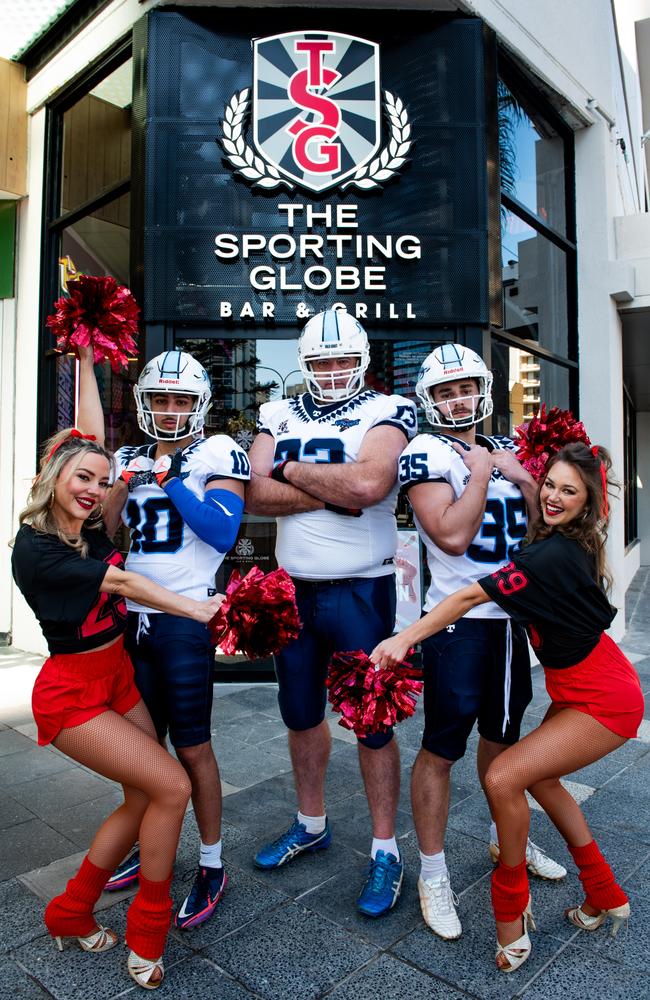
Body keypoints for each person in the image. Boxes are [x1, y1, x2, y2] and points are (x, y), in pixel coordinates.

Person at [371, 441, 644, 971]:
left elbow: (470, 597)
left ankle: (511, 916)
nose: (553, 496)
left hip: (604, 699)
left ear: (588, 502)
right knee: (538, 779)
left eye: (569, 490)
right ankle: (605, 892)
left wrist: (407, 638)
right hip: (579, 689)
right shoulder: (564, 540)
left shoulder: (552, 553)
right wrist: (519, 474)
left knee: (503, 777)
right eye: (551, 485)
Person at [11, 429, 225, 988]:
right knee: (172, 786)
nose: (95, 489)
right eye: (83, 478)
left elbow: (90, 438)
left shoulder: (87, 531)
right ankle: (148, 930)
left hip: (119, 677)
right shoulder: (34, 547)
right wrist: (198, 612)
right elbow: (124, 580)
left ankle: (71, 910)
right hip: (71, 691)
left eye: (104, 483)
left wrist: (86, 358)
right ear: (52, 476)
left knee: (143, 796)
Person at [245, 308, 418, 917]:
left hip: (359, 590)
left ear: (363, 360)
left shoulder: (387, 410)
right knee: (299, 714)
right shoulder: (277, 412)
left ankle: (385, 849)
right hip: (293, 589)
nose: (333, 370)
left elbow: (371, 486)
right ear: (304, 363)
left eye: (343, 359)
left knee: (372, 723)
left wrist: (292, 470)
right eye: (321, 361)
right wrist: (331, 486)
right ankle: (311, 821)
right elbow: (253, 493)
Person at [396, 343, 566, 941]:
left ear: (484, 388)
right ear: (429, 399)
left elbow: (548, 529)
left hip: (513, 623)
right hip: (456, 626)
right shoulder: (424, 452)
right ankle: (433, 872)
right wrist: (480, 473)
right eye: (444, 392)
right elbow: (451, 536)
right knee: (441, 749)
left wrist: (518, 477)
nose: (457, 399)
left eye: (465, 387)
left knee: (504, 740)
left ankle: (504, 838)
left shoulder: (509, 450)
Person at [80, 347, 250, 930]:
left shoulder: (218, 451)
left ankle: (210, 861)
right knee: (142, 750)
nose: (171, 411)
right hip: (131, 619)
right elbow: (106, 530)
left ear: (198, 404)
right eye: (160, 400)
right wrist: (122, 486)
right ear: (143, 403)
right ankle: (149, 844)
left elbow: (223, 531)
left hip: (183, 620)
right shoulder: (129, 453)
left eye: (181, 400)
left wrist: (172, 478)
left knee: (194, 747)